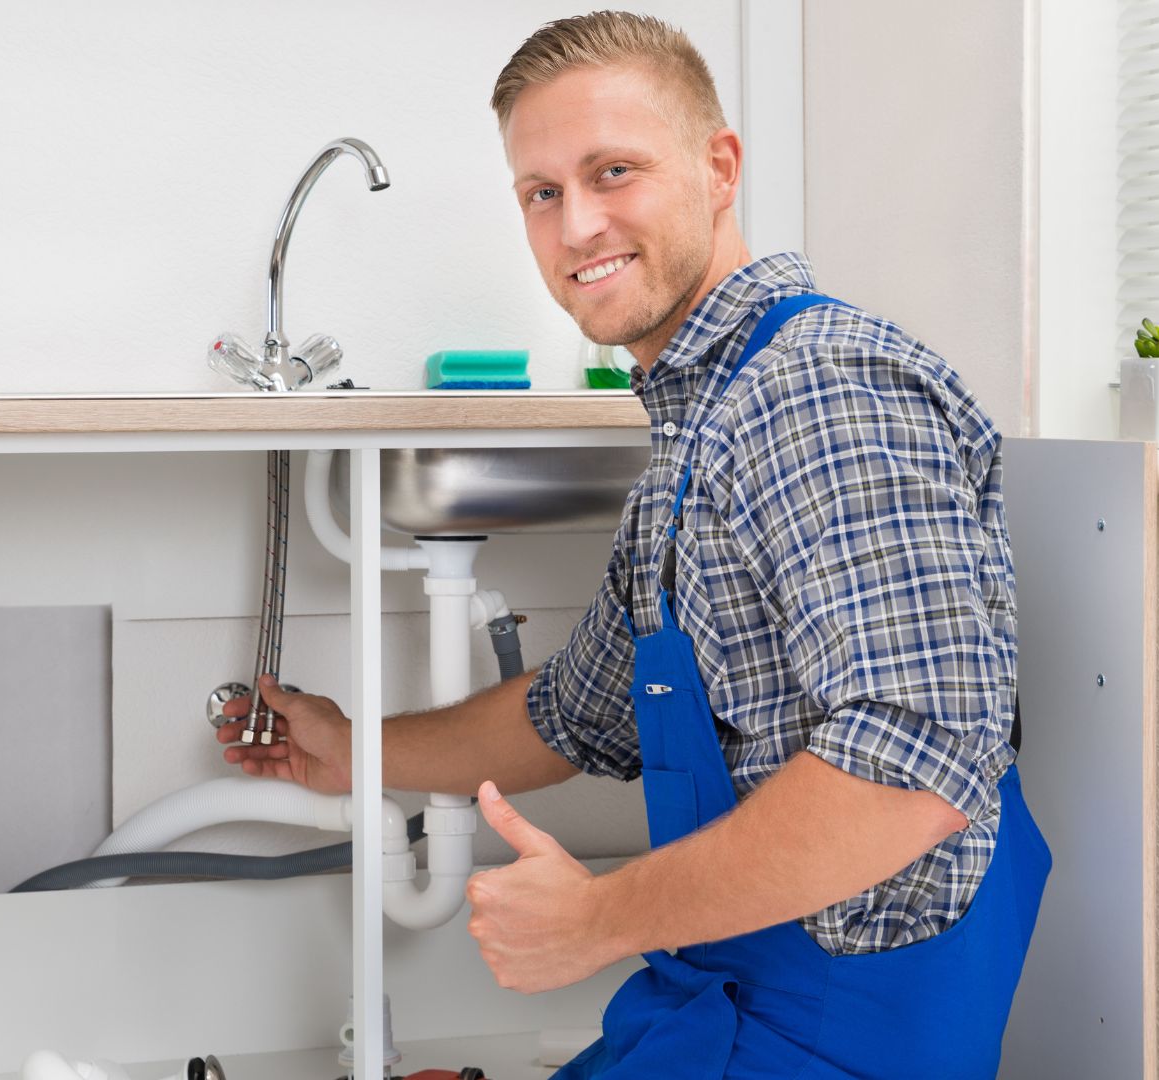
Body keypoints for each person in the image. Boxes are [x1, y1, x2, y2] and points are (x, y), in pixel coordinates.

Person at [218, 11, 1049, 1078]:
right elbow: (576, 715)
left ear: (719, 167)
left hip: (835, 1043)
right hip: (723, 1008)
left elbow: (915, 767)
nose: (576, 228)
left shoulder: (817, 393)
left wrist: (598, 919)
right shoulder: (700, 424)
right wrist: (355, 750)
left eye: (615, 172)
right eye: (542, 193)